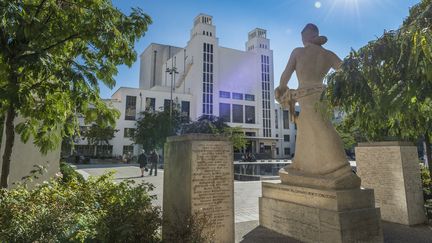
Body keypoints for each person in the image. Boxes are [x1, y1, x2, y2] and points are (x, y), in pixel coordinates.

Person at [275, 23, 360, 189]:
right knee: (307, 129)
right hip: (321, 95)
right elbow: (346, 72)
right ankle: (301, 164)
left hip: (306, 96)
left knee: (321, 127)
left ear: (306, 37)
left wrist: (281, 91)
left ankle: (339, 166)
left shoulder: (298, 52)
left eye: (302, 37)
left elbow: (285, 76)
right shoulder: (328, 54)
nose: (302, 40)